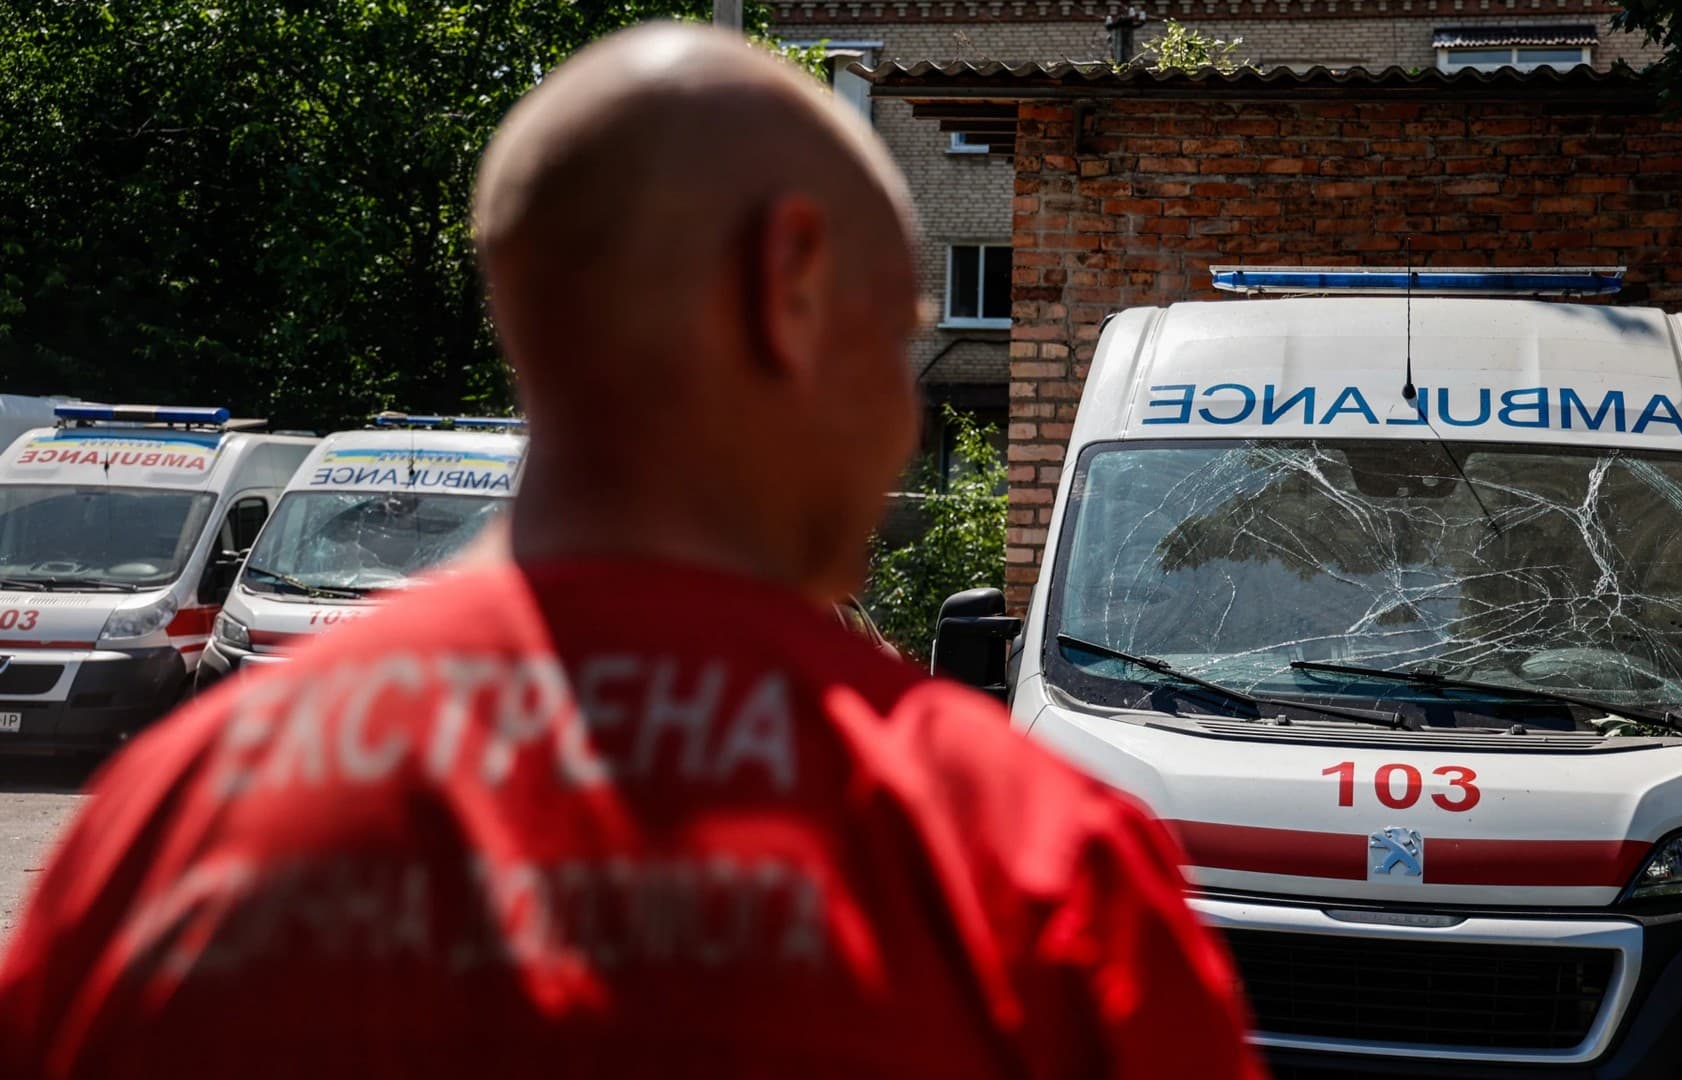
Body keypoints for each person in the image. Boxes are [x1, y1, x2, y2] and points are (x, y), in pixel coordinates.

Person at [0, 23, 1261, 1079]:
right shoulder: (1019, 869)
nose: (905, 408)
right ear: (787, 287)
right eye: (898, 332)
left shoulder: (169, 832)